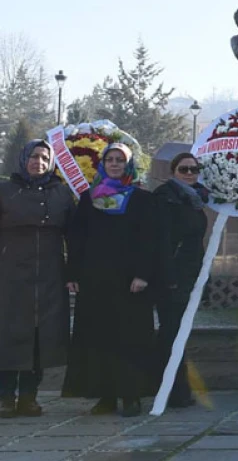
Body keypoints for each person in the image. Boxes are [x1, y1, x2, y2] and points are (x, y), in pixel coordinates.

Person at [63, 144, 160, 417]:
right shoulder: (89, 197)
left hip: (129, 282)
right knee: (98, 337)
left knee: (129, 338)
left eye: (120, 160)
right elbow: (77, 238)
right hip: (95, 279)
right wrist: (73, 274)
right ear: (102, 164)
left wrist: (143, 274)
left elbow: (149, 239)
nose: (115, 164)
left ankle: (131, 395)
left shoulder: (141, 199)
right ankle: (104, 395)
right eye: (110, 159)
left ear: (129, 165)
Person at [0, 141, 76, 418]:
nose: (39, 162)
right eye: (33, 157)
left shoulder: (61, 194)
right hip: (9, 273)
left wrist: (72, 273)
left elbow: (73, 237)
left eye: (45, 158)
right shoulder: (5, 190)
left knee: (39, 335)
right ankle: (5, 397)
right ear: (23, 159)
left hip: (49, 274)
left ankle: (29, 397)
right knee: (8, 333)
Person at [152, 152, 210, 409]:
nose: (189, 174)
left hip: (189, 274)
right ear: (173, 171)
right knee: (171, 333)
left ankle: (177, 388)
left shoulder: (195, 199)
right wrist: (169, 277)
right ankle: (171, 391)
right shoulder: (166, 198)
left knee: (178, 332)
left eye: (194, 170)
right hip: (172, 277)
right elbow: (161, 241)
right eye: (184, 169)